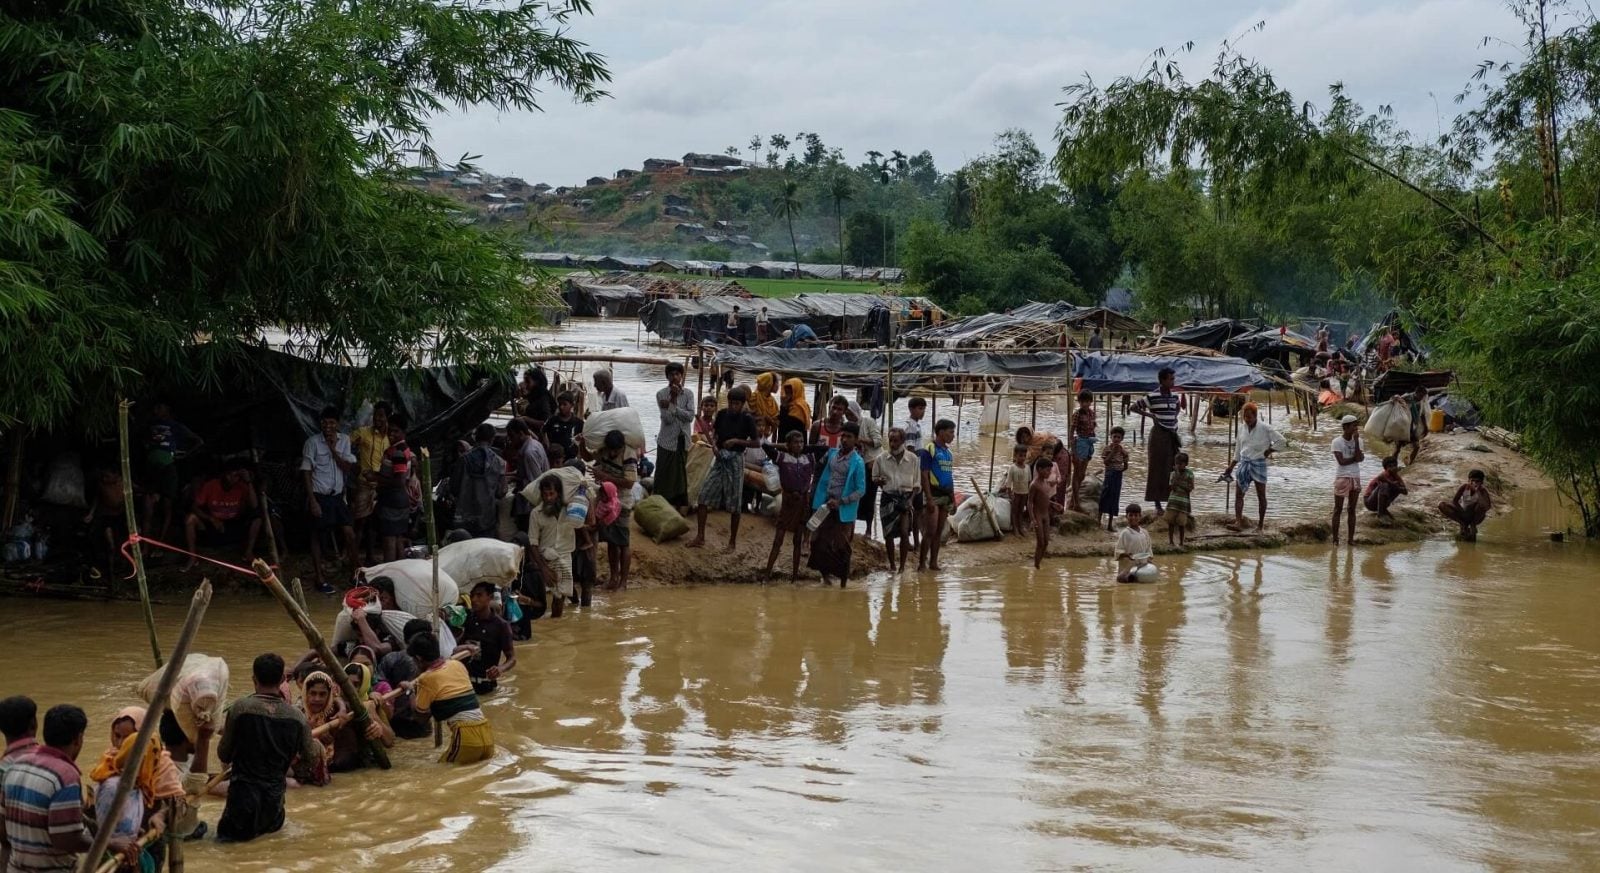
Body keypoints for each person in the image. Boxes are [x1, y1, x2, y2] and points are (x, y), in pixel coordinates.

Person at [217, 653, 324, 842]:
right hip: (274, 803)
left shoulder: (240, 708)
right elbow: (311, 759)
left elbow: (223, 753)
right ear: (283, 679)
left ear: (254, 679)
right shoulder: (297, 717)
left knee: (229, 849)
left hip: (241, 801)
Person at [2, 704, 119, 873]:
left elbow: (2, 829)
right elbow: (66, 839)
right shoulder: (65, 776)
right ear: (78, 739)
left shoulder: (16, 764)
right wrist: (110, 844)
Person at [405, 632, 494, 765]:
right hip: (487, 734)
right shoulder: (456, 665)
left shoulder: (426, 679)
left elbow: (421, 717)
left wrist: (410, 691)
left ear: (418, 658)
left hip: (466, 736)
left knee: (440, 774)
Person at [689, 386, 759, 551]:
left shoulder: (747, 419)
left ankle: (732, 542)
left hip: (735, 460)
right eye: (731, 403)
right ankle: (700, 536)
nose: (733, 407)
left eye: (737, 404)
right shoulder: (721, 415)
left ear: (742, 404)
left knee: (735, 503)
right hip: (720, 458)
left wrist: (736, 441)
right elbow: (716, 435)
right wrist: (714, 445)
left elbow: (756, 442)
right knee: (703, 496)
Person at [301, 406, 357, 593]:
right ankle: (319, 578)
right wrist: (312, 501)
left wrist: (333, 450)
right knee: (317, 536)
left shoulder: (345, 441)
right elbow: (307, 472)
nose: (328, 426)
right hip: (320, 496)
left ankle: (356, 574)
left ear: (337, 424)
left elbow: (347, 468)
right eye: (325, 422)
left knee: (349, 533)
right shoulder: (312, 443)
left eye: (332, 422)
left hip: (337, 496)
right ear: (321, 423)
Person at [809, 422, 866, 586]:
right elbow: (821, 472)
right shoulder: (832, 454)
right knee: (817, 541)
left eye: (849, 437)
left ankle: (843, 583)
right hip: (825, 504)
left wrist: (841, 501)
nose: (845, 440)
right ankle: (825, 577)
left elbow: (860, 490)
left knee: (842, 546)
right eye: (843, 436)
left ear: (856, 440)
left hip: (843, 508)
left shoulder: (858, 462)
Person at [183, 461, 261, 572]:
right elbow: (194, 507)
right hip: (213, 523)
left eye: (235, 476)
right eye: (229, 475)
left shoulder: (242, 486)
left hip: (234, 523)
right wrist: (211, 519)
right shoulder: (211, 485)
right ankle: (192, 557)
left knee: (257, 518)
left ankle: (248, 553)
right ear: (223, 474)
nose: (231, 479)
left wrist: (248, 482)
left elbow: (254, 505)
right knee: (190, 518)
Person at [141, 401, 202, 540]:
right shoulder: (149, 425)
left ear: (167, 409)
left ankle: (161, 543)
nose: (156, 410)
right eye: (155, 407)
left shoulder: (175, 426)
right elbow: (143, 441)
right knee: (148, 509)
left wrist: (185, 454)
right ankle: (145, 547)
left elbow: (198, 441)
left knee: (167, 508)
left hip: (168, 469)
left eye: (159, 407)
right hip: (151, 469)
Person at [763, 431, 818, 580]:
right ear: (788, 445)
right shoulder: (782, 458)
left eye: (801, 442)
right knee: (778, 538)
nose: (799, 445)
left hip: (802, 501)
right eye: (795, 442)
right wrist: (782, 446)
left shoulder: (809, 458)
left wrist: (805, 448)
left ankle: (795, 576)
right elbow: (766, 447)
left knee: (798, 540)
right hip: (788, 501)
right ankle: (767, 574)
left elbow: (822, 449)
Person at [529, 474, 585, 618]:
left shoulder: (571, 510)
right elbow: (533, 544)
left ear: (558, 493)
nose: (548, 498)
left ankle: (557, 625)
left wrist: (583, 493)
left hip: (565, 556)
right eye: (545, 494)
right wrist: (544, 569)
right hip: (546, 558)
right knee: (549, 597)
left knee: (559, 597)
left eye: (551, 494)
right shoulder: (536, 513)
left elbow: (589, 521)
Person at [1224, 402, 1286, 531]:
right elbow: (1238, 450)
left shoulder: (1265, 428)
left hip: (1258, 463)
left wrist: (1270, 450)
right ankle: (1238, 522)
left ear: (1255, 416)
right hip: (1244, 463)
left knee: (1261, 495)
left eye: (1249, 417)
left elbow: (1282, 441)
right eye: (1245, 417)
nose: (1247, 420)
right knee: (1239, 495)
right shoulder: (1241, 429)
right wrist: (1231, 466)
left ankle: (1260, 525)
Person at [1130, 367, 1183, 513]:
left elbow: (1177, 408)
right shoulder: (1152, 396)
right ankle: (1157, 504)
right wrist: (1150, 416)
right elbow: (1133, 407)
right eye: (1171, 379)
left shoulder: (1174, 396)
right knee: (1157, 469)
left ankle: (1171, 501)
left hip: (1171, 435)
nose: (1173, 381)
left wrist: (1174, 418)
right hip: (1158, 435)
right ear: (1162, 380)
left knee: (1173, 468)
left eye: (1173, 378)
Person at [589, 431, 637, 590]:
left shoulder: (629, 455)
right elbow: (589, 456)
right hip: (606, 501)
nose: (612, 453)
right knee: (611, 541)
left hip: (622, 503)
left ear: (621, 447)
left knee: (623, 543)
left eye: (615, 451)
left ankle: (623, 582)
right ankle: (613, 578)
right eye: (610, 450)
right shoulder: (605, 450)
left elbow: (629, 483)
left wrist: (604, 476)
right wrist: (582, 443)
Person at [873, 427, 921, 572]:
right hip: (888, 497)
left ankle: (902, 566)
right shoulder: (881, 458)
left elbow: (917, 485)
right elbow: (874, 478)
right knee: (888, 533)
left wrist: (910, 501)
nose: (892, 443)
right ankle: (892, 565)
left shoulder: (912, 459)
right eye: (890, 440)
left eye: (895, 440)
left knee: (905, 532)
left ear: (903, 441)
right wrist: (879, 481)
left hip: (906, 498)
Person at [457, 582, 517, 695]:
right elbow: (455, 646)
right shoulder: (467, 619)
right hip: (463, 683)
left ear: (490, 597)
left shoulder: (501, 626)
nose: (474, 599)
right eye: (472, 595)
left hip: (485, 686)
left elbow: (512, 658)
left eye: (479, 595)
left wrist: (500, 669)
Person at [349, 401, 391, 563]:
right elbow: (345, 444)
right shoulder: (363, 432)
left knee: (374, 524)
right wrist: (353, 463)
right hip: (364, 485)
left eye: (381, 415)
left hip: (381, 486)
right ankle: (352, 559)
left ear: (388, 418)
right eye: (375, 415)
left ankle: (370, 556)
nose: (377, 419)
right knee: (360, 522)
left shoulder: (390, 438)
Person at [371, 412, 415, 563]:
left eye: (396, 431)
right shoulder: (405, 449)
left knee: (389, 541)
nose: (391, 434)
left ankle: (389, 577)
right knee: (397, 539)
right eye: (390, 430)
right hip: (400, 500)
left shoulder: (397, 452)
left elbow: (399, 481)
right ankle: (400, 574)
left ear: (404, 432)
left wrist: (375, 477)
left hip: (393, 501)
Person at [654, 362, 696, 510]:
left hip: (682, 440)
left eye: (677, 374)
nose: (675, 377)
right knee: (663, 473)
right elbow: (668, 419)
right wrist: (672, 397)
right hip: (667, 441)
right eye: (671, 374)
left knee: (680, 475)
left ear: (681, 376)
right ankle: (661, 504)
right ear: (667, 376)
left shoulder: (688, 394)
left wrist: (671, 406)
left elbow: (690, 416)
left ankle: (679, 504)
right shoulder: (661, 394)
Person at [453, 423, 506, 538]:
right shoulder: (499, 462)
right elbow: (502, 491)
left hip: (465, 517)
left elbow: (454, 488)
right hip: (487, 518)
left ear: (475, 437)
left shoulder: (463, 460)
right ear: (492, 439)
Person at [918, 418, 956, 572]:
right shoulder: (929, 450)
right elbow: (924, 475)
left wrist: (953, 498)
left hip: (946, 494)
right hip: (933, 494)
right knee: (930, 531)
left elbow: (949, 476)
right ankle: (921, 564)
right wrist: (928, 498)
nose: (953, 435)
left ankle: (933, 563)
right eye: (951, 432)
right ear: (941, 432)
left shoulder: (948, 453)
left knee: (939, 532)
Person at [507, 417, 549, 532]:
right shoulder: (535, 444)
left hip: (530, 506)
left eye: (512, 437)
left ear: (520, 434)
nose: (511, 441)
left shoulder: (529, 453)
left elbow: (535, 482)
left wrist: (517, 480)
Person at [1331, 414, 1365, 546]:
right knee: (1338, 509)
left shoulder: (1359, 441)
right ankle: (1335, 539)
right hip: (1342, 477)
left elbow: (1360, 459)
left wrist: (1356, 442)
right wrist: (1355, 458)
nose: (1356, 428)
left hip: (1355, 476)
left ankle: (1350, 539)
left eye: (1356, 425)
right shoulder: (1337, 442)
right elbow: (1342, 462)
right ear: (1345, 427)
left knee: (1352, 509)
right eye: (1353, 425)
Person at [1440, 469, 1493, 541]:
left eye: (1477, 481)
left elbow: (1487, 507)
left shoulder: (1483, 491)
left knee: (1480, 506)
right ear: (1468, 480)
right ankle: (1462, 524)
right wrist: (1462, 511)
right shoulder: (1464, 487)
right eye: (1472, 480)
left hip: (1476, 517)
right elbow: (1455, 501)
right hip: (1463, 513)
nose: (1474, 483)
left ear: (1481, 482)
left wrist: (1478, 492)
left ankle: (1472, 525)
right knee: (1442, 505)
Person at [1068, 390, 1097, 512]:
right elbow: (1071, 432)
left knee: (1081, 475)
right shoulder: (1077, 414)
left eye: (1087, 401)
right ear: (1079, 402)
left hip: (1089, 443)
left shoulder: (1092, 413)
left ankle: (1073, 501)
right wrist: (1073, 450)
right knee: (1077, 474)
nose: (1085, 404)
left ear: (1090, 402)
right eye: (1082, 401)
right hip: (1080, 443)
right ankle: (1076, 503)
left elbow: (1093, 427)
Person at [1098, 427, 1129, 532]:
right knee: (1104, 495)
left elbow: (1126, 465)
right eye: (1114, 436)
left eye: (1118, 437)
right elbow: (1105, 462)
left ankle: (1110, 524)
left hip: (1117, 475)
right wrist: (1113, 453)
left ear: (1122, 439)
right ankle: (1098, 521)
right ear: (1111, 437)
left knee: (1114, 498)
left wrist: (1119, 470)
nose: (1116, 439)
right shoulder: (1107, 449)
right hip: (1109, 475)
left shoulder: (1123, 451)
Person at [1114, 504, 1154, 583]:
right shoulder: (1125, 533)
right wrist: (1126, 555)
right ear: (1126, 516)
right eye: (1131, 515)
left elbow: (1148, 549)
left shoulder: (1144, 532)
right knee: (1124, 580)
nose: (1133, 518)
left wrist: (1149, 560)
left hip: (1142, 565)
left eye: (1136, 515)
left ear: (1140, 516)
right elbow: (1118, 551)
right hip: (1129, 565)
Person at [1364, 457, 1409, 522]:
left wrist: (1398, 486)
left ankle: (1383, 509)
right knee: (1385, 485)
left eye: (1394, 465)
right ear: (1386, 468)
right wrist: (1392, 483)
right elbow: (1380, 477)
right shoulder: (1385, 474)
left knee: (1398, 487)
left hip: (1379, 502)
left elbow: (1405, 492)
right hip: (1369, 502)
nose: (1393, 468)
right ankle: (1380, 514)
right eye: (1390, 466)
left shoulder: (1396, 476)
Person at [1165, 452, 1195, 547]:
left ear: (1186, 464)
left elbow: (1190, 488)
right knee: (1171, 522)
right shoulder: (1173, 474)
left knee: (1182, 524)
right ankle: (1171, 541)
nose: (1178, 465)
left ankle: (1181, 542)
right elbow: (1172, 488)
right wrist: (1177, 478)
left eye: (1180, 464)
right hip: (1173, 501)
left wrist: (1179, 482)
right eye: (1176, 463)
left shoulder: (1190, 474)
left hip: (1183, 502)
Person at [1029, 458, 1055, 569]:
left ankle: (1038, 562)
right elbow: (1029, 502)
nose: (1049, 473)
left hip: (1046, 515)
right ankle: (1036, 566)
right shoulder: (1034, 485)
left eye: (1050, 471)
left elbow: (1045, 498)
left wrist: (1054, 504)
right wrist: (1032, 518)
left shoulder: (1045, 483)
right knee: (1040, 542)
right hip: (1038, 515)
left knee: (1046, 542)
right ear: (1039, 469)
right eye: (1047, 470)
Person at [1003, 444, 1031, 537]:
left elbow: (1029, 481)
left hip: (1025, 493)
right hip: (1016, 493)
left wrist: (1029, 494)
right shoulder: (1012, 468)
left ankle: (1021, 527)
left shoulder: (1027, 467)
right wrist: (1010, 494)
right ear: (1015, 456)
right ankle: (1015, 528)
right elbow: (1008, 482)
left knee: (1021, 510)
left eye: (1024, 456)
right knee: (1015, 511)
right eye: (1020, 455)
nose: (1022, 458)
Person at [777, 377, 812, 443]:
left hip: (794, 445)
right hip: (788, 444)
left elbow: (786, 424)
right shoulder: (790, 405)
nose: (787, 394)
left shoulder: (798, 406)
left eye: (790, 391)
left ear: (796, 390)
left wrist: (783, 406)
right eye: (786, 392)